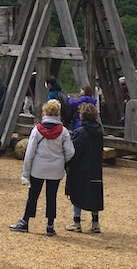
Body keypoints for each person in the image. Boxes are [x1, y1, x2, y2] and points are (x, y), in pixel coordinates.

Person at [9, 99, 75, 236]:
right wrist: (60, 161)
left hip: (38, 168)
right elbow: (70, 152)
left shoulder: (37, 130)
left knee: (33, 195)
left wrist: (25, 173)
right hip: (55, 170)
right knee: (51, 196)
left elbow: (30, 153)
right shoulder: (63, 132)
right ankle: (50, 225)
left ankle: (25, 221)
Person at [63, 102, 105, 233]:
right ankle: (95, 222)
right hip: (95, 166)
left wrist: (67, 164)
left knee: (76, 193)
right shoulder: (99, 131)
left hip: (80, 167)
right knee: (95, 193)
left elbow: (74, 151)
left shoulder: (80, 132)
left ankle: (77, 222)